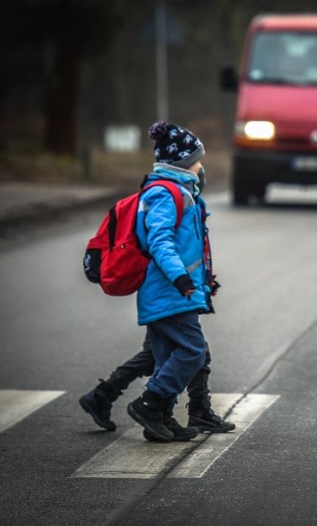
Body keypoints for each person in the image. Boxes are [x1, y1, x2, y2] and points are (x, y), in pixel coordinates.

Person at [120, 120, 228, 442]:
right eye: (197, 160)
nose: (201, 166)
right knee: (193, 351)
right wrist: (181, 279)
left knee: (167, 356)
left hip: (174, 291)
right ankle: (149, 403)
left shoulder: (181, 193)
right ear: (181, 163)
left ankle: (161, 419)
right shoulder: (167, 195)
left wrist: (202, 282)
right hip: (170, 292)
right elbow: (161, 242)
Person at [79, 329, 235, 441]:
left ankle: (103, 396)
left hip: (168, 301)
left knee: (159, 352)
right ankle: (191, 411)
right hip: (170, 300)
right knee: (193, 350)